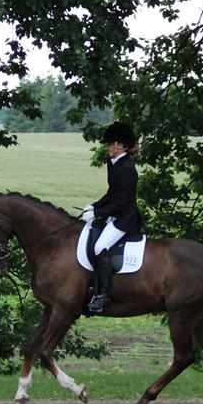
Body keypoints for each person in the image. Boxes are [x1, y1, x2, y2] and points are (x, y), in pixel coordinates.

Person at [80, 121, 143, 314]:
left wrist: (97, 214)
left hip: (125, 218)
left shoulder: (128, 170)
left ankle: (103, 295)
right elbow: (111, 193)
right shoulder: (113, 162)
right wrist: (94, 205)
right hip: (114, 213)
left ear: (121, 146)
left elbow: (121, 202)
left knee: (100, 247)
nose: (108, 147)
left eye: (110, 144)